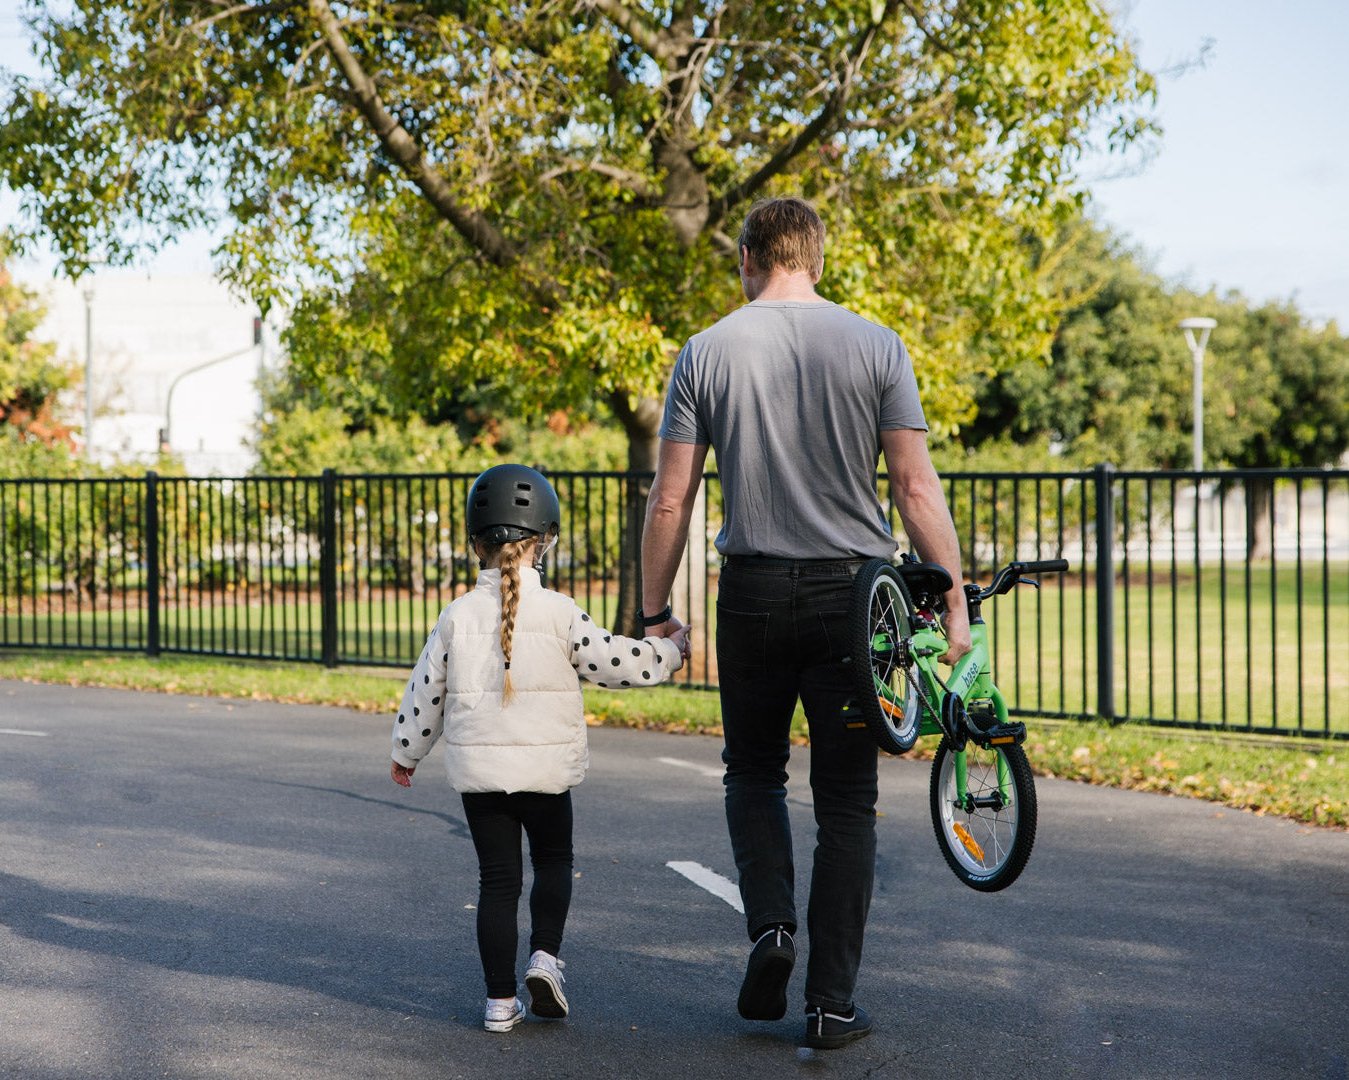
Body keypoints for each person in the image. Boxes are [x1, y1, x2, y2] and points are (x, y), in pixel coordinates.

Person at [640, 196, 970, 1050]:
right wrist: (954, 599)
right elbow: (913, 487)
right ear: (815, 259)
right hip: (852, 601)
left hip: (749, 593)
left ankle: (771, 930)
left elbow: (671, 496)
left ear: (747, 257)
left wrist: (652, 613)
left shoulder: (704, 352)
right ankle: (829, 1006)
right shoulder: (876, 344)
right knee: (847, 806)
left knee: (752, 773)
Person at [391, 463, 690, 1033]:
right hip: (547, 774)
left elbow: (424, 690)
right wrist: (670, 651)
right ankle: (545, 959)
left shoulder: (455, 615)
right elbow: (614, 662)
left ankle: (500, 1004)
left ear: (475, 542)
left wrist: (407, 751)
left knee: (497, 881)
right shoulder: (559, 612)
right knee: (554, 862)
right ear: (544, 540)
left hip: (482, 776)